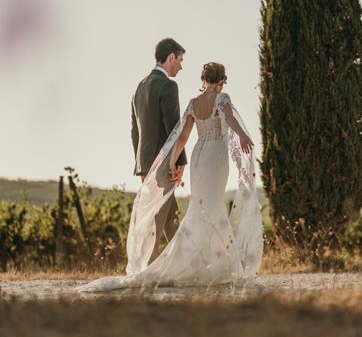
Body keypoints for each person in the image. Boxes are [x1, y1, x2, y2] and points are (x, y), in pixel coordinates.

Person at [78, 62, 263, 292]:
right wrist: (244, 135)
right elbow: (229, 117)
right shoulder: (222, 99)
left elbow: (183, 138)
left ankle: (206, 262)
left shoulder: (194, 103)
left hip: (198, 158)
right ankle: (221, 265)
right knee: (213, 207)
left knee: (199, 208)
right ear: (221, 80)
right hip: (215, 158)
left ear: (204, 79)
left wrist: (174, 162)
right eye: (223, 80)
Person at [131, 38, 187, 265]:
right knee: (157, 217)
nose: (181, 67)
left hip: (146, 164)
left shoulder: (140, 86)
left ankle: (182, 263)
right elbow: (174, 128)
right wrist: (179, 163)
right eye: (180, 60)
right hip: (165, 162)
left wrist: (141, 166)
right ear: (171, 57)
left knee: (170, 217)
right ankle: (148, 269)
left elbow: (135, 131)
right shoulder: (168, 86)